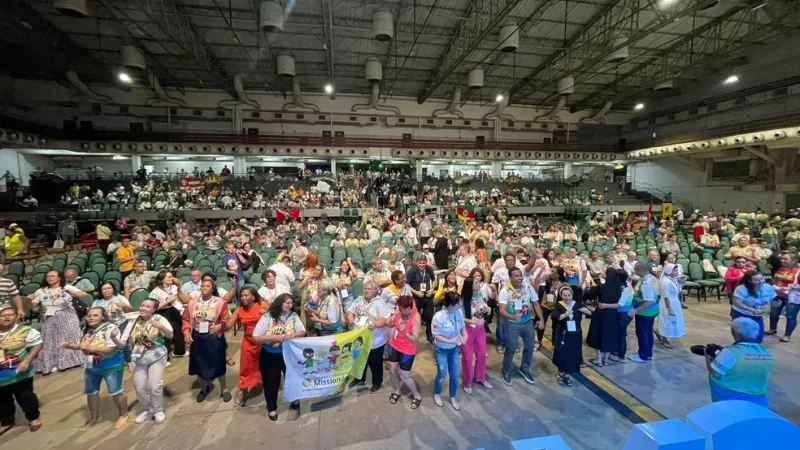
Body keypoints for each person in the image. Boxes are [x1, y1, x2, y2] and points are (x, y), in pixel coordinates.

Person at [61, 307, 129, 430]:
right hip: (91, 366)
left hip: (111, 366)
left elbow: (111, 349)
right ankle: (94, 416)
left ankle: (123, 414)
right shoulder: (87, 330)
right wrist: (73, 346)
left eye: (95, 315)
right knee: (91, 392)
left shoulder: (111, 328)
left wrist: (90, 348)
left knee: (115, 391)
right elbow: (84, 346)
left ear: (103, 317)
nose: (91, 317)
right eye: (89, 315)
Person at [116, 298, 172, 424]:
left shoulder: (159, 319)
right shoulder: (132, 322)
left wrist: (161, 327)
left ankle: (157, 410)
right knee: (139, 387)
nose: (143, 308)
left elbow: (170, 335)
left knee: (153, 385)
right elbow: (122, 343)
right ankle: (148, 409)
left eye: (148, 307)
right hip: (138, 357)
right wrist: (114, 338)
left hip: (156, 355)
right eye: (142, 305)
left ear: (154, 309)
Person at [252, 293, 305, 421]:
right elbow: (256, 337)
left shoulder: (293, 316)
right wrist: (275, 338)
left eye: (291, 303)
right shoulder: (267, 317)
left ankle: (295, 400)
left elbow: (302, 331)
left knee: (293, 379)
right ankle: (272, 408)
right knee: (271, 383)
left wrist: (291, 336)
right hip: (270, 356)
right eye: (287, 302)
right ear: (279, 303)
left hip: (289, 354)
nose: (290, 305)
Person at [182, 279, 232, 403]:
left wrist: (220, 326)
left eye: (207, 286)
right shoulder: (193, 302)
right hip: (197, 337)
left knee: (218, 364)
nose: (204, 288)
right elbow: (187, 319)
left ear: (212, 288)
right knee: (199, 365)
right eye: (202, 286)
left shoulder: (220, 302)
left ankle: (224, 389)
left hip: (213, 336)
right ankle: (204, 388)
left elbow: (226, 317)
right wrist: (186, 332)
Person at [706, 317, 774, 407]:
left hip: (730, 396)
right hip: (758, 397)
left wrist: (708, 356)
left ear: (734, 333)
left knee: (714, 371)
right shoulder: (766, 352)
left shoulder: (730, 352)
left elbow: (715, 373)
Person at [28, 271, 88, 374]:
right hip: (49, 318)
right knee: (50, 341)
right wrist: (29, 300)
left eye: (52, 276)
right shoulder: (41, 291)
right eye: (48, 276)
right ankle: (54, 363)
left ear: (59, 278)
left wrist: (73, 292)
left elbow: (84, 295)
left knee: (70, 338)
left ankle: (77, 360)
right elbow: (31, 306)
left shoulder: (67, 287)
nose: (50, 278)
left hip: (67, 317)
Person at [0, 305, 43, 435]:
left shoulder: (25, 330)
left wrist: (26, 361)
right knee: (2, 400)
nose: (6, 317)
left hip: (20, 371)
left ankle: (33, 418)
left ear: (16, 317)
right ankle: (7, 421)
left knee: (25, 396)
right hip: (1, 375)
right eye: (3, 315)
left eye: (10, 314)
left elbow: (37, 345)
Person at [498, 267, 545, 386]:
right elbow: (502, 310)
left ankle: (524, 368)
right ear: (510, 277)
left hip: (527, 322)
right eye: (516, 276)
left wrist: (541, 319)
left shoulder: (528, 287)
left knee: (530, 346)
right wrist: (513, 317)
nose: (520, 278)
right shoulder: (505, 291)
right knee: (512, 348)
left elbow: (536, 303)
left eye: (520, 275)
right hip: (512, 324)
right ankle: (506, 370)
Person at [346, 280, 392, 392]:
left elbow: (386, 319)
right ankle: (359, 378)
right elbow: (350, 311)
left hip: (375, 339)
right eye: (365, 288)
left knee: (375, 363)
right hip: (359, 338)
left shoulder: (379, 302)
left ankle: (377, 382)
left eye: (369, 289)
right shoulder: (359, 299)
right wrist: (351, 318)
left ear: (375, 291)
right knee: (358, 360)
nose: (366, 291)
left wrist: (376, 324)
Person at [225, 286, 264, 407]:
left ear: (253, 296)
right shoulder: (239, 310)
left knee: (264, 365)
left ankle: (267, 385)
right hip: (248, 341)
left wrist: (267, 314)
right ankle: (243, 391)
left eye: (246, 295)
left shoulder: (262, 305)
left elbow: (274, 319)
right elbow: (228, 326)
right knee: (245, 367)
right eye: (241, 296)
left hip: (263, 341)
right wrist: (223, 323)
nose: (243, 298)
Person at [586, 251, 625, 366]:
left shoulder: (602, 286)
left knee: (598, 334)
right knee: (609, 335)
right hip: (612, 314)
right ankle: (606, 360)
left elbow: (589, 295)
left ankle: (598, 359)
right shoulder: (619, 289)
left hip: (601, 313)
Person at [431, 292, 467, 410]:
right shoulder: (438, 316)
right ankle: (437, 393)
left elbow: (462, 327)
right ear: (450, 305)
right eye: (458, 304)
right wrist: (451, 341)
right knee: (442, 374)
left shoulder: (459, 313)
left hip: (454, 349)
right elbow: (435, 335)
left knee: (455, 374)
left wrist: (465, 336)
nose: (460, 306)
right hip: (441, 349)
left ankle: (452, 396)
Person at [387, 295, 422, 410]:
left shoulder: (416, 317)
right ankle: (397, 390)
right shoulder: (399, 310)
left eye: (402, 309)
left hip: (407, 349)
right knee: (392, 370)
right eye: (399, 308)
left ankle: (416, 395)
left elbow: (415, 339)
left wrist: (405, 333)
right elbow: (392, 323)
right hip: (395, 344)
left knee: (404, 375)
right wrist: (390, 322)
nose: (399, 310)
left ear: (408, 308)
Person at [460, 274, 492, 393]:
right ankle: (467, 382)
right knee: (467, 357)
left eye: (479, 282)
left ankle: (480, 377)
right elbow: (459, 317)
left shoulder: (480, 294)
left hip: (480, 329)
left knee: (482, 354)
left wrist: (486, 309)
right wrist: (473, 321)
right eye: (476, 283)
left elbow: (483, 306)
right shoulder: (462, 300)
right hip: (467, 330)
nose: (479, 284)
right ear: (470, 286)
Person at [149, 271, 190, 359]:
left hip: (174, 310)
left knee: (179, 331)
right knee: (165, 334)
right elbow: (153, 308)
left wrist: (179, 287)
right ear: (162, 280)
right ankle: (165, 357)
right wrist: (166, 301)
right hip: (162, 312)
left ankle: (179, 351)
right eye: (168, 277)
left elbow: (179, 295)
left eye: (172, 276)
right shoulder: (155, 292)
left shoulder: (173, 287)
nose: (171, 278)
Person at [552, 286, 587, 387]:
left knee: (573, 354)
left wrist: (590, 312)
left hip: (575, 335)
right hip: (563, 334)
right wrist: (565, 314)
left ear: (572, 295)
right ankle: (561, 374)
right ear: (561, 296)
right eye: (564, 295)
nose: (567, 297)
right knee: (562, 354)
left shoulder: (577, 304)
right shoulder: (559, 305)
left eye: (569, 295)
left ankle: (567, 375)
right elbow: (555, 317)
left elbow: (589, 313)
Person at [628, 262, 659, 363]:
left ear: (641, 270)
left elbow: (650, 300)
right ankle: (647, 352)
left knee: (642, 333)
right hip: (650, 311)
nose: (634, 270)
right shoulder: (650, 278)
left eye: (636, 269)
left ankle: (643, 356)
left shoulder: (646, 284)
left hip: (645, 312)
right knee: (648, 332)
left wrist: (636, 310)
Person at [731, 272, 774, 343]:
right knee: (743, 335)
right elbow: (736, 302)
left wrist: (775, 305)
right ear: (750, 281)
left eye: (762, 279)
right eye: (757, 280)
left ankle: (754, 349)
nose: (761, 282)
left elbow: (773, 300)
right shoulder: (741, 288)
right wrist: (752, 310)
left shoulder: (768, 287)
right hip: (741, 313)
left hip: (757, 315)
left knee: (759, 336)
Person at [766, 252, 800, 342]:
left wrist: (790, 287)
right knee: (774, 313)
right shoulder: (780, 269)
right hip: (777, 294)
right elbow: (776, 279)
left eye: (786, 259)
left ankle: (787, 335)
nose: (782, 260)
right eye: (782, 258)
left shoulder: (798, 271)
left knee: (790, 316)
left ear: (794, 260)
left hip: (793, 297)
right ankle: (772, 329)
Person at [406, 254, 437, 345]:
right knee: (414, 317)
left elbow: (434, 280)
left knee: (429, 317)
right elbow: (407, 284)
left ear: (426, 263)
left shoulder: (429, 269)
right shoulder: (412, 270)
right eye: (420, 263)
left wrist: (432, 289)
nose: (422, 265)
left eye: (424, 263)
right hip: (416, 297)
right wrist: (416, 292)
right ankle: (411, 336)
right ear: (416, 263)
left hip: (427, 296)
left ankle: (429, 334)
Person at [656, 264, 686, 349]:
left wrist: (681, 291)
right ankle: (664, 338)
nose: (677, 272)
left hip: (674, 302)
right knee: (667, 320)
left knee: (672, 321)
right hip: (667, 303)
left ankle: (663, 334)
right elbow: (666, 296)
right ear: (669, 271)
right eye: (675, 270)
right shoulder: (665, 281)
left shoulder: (672, 279)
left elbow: (675, 290)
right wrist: (669, 308)